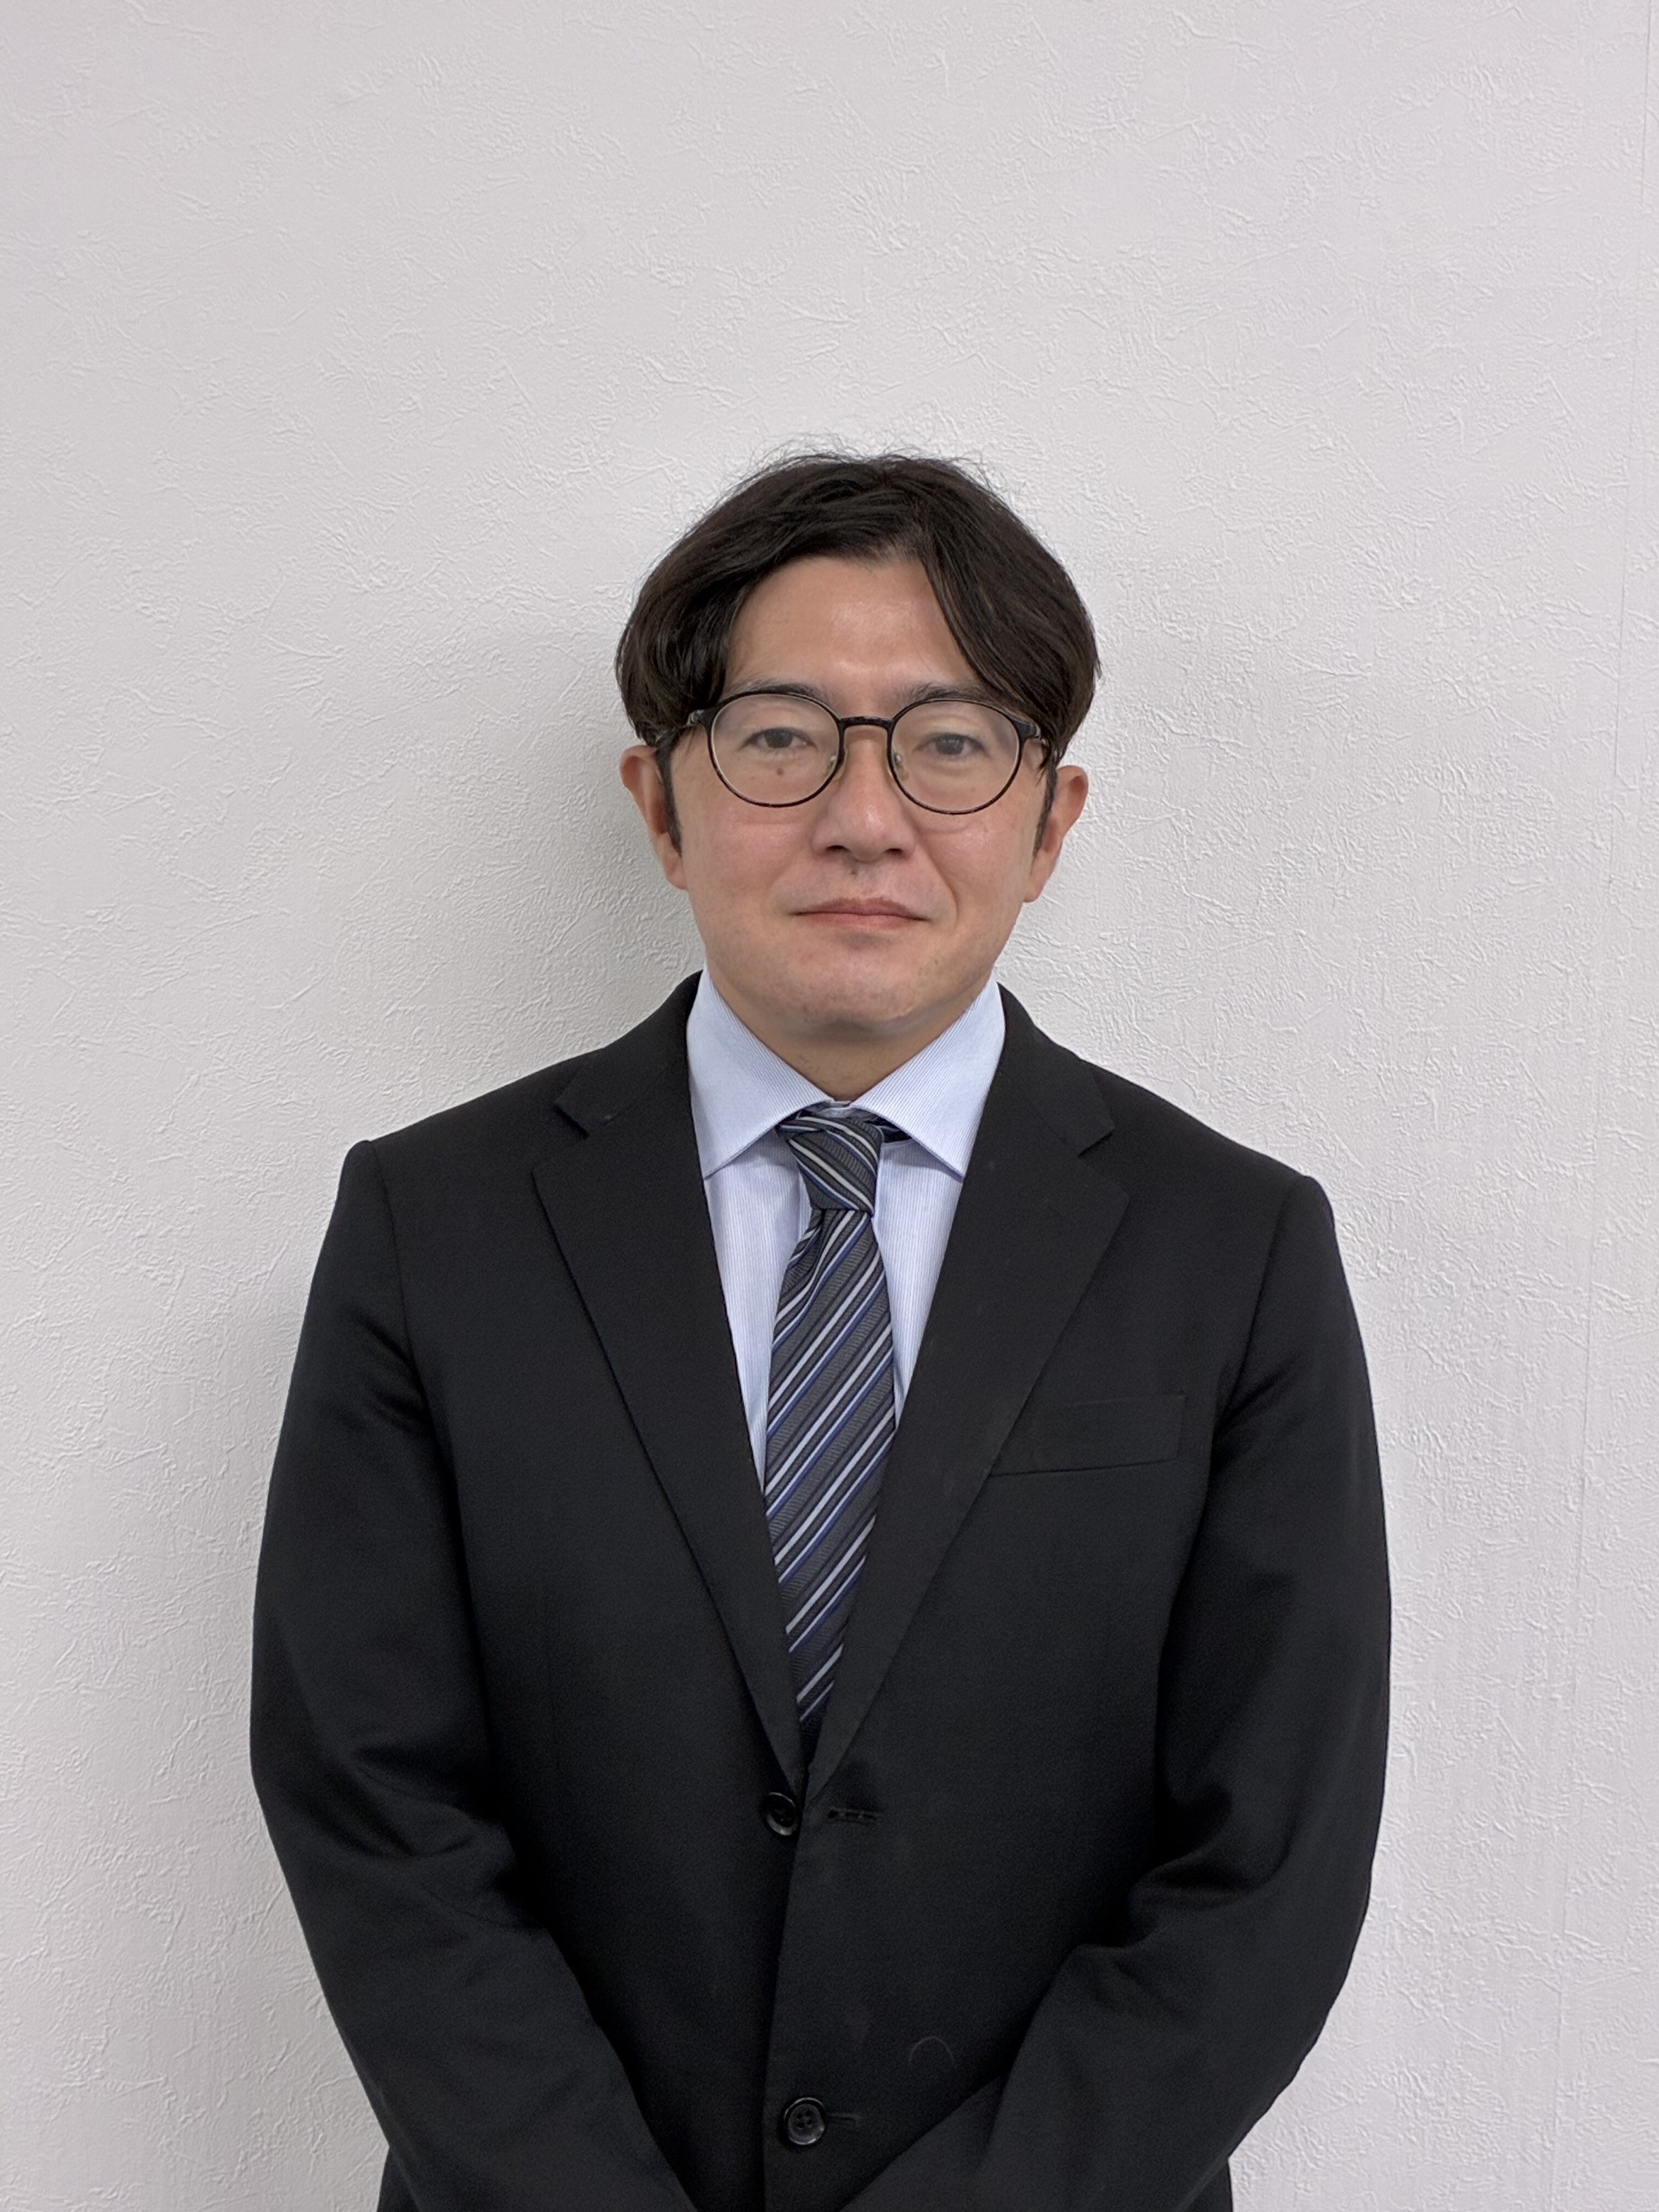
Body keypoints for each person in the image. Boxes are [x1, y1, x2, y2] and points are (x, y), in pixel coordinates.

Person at [251, 452, 1390, 2212]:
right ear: (660, 804)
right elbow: (371, 1803)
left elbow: (1271, 1869)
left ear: (1051, 822)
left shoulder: (1234, 1249)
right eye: (781, 738)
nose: (866, 817)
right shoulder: (435, 1227)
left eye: (950, 743)